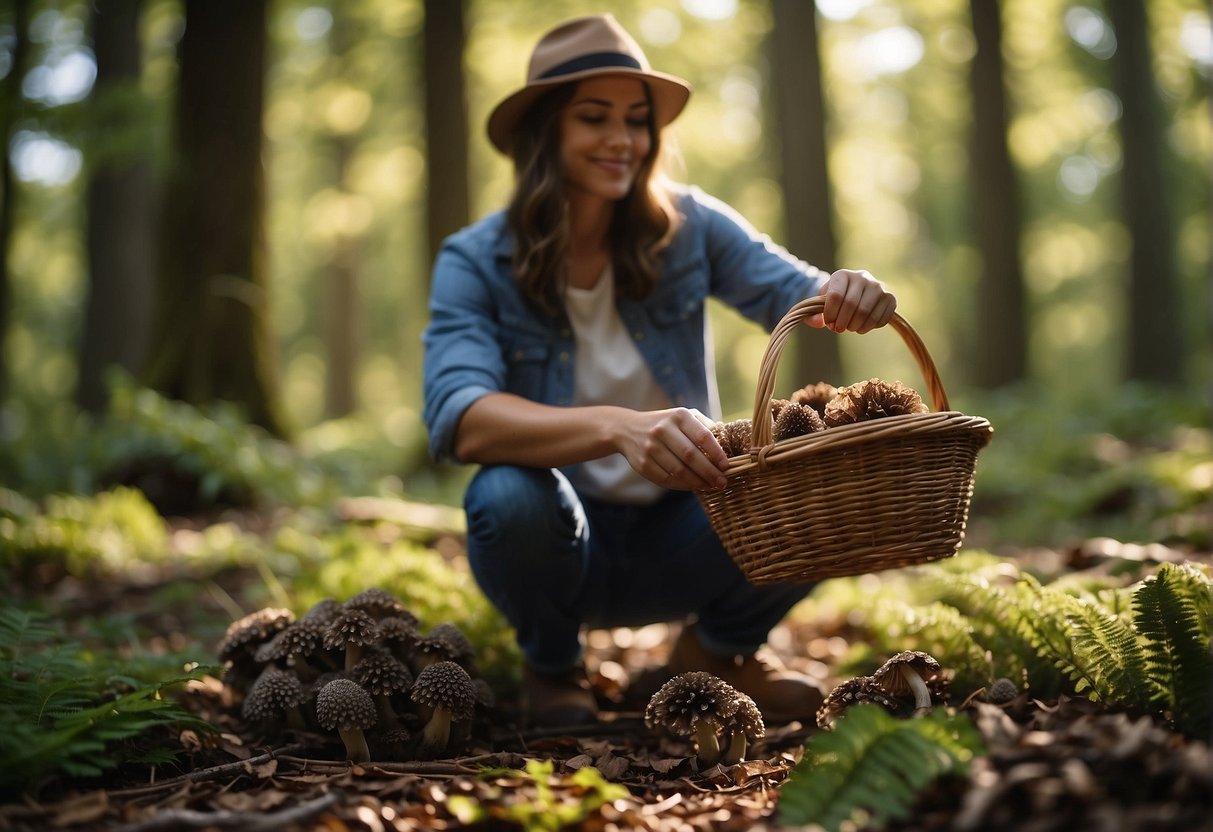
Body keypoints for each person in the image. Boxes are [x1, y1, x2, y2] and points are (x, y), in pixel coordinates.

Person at [422, 14, 897, 728]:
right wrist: (616, 428)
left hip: (689, 527)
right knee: (507, 495)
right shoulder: (473, 259)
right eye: (593, 117)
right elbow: (459, 416)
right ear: (543, 131)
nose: (622, 139)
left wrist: (848, 289)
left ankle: (716, 650)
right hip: (558, 541)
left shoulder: (692, 226)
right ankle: (551, 666)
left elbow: (798, 294)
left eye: (636, 120)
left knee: (823, 477)